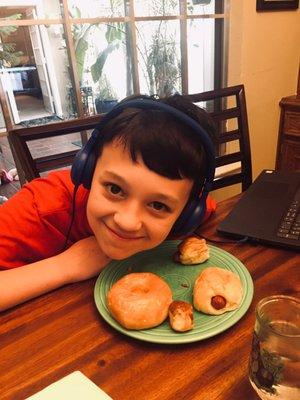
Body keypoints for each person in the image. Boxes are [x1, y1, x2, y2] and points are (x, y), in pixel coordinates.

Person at [0, 94, 217, 312]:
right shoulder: (42, 205)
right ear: (88, 170)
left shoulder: (190, 214)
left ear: (188, 213)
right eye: (115, 189)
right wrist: (65, 266)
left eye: (158, 206)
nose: (127, 222)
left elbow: (210, 207)